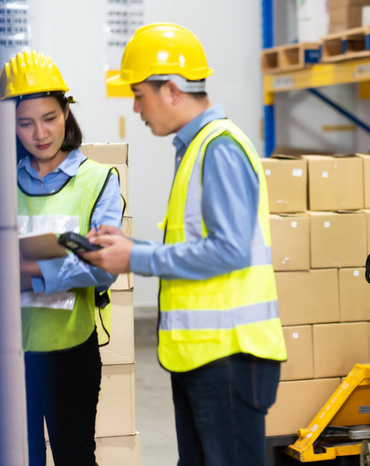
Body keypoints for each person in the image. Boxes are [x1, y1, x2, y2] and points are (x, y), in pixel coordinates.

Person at [83, 22, 287, 465]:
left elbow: (228, 250)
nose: (136, 108)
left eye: (139, 94)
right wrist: (129, 244)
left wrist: (134, 256)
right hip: (203, 357)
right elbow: (197, 243)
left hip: (229, 358)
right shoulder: (196, 148)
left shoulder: (219, 149)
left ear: (172, 90)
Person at [1, 50, 123, 466]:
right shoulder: (3, 182)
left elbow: (104, 270)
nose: (40, 133)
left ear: (67, 115)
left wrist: (27, 273)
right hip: (10, 356)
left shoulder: (98, 181)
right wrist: (61, 267)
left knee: (75, 457)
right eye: (25, 122)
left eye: (49, 118)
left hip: (70, 352)